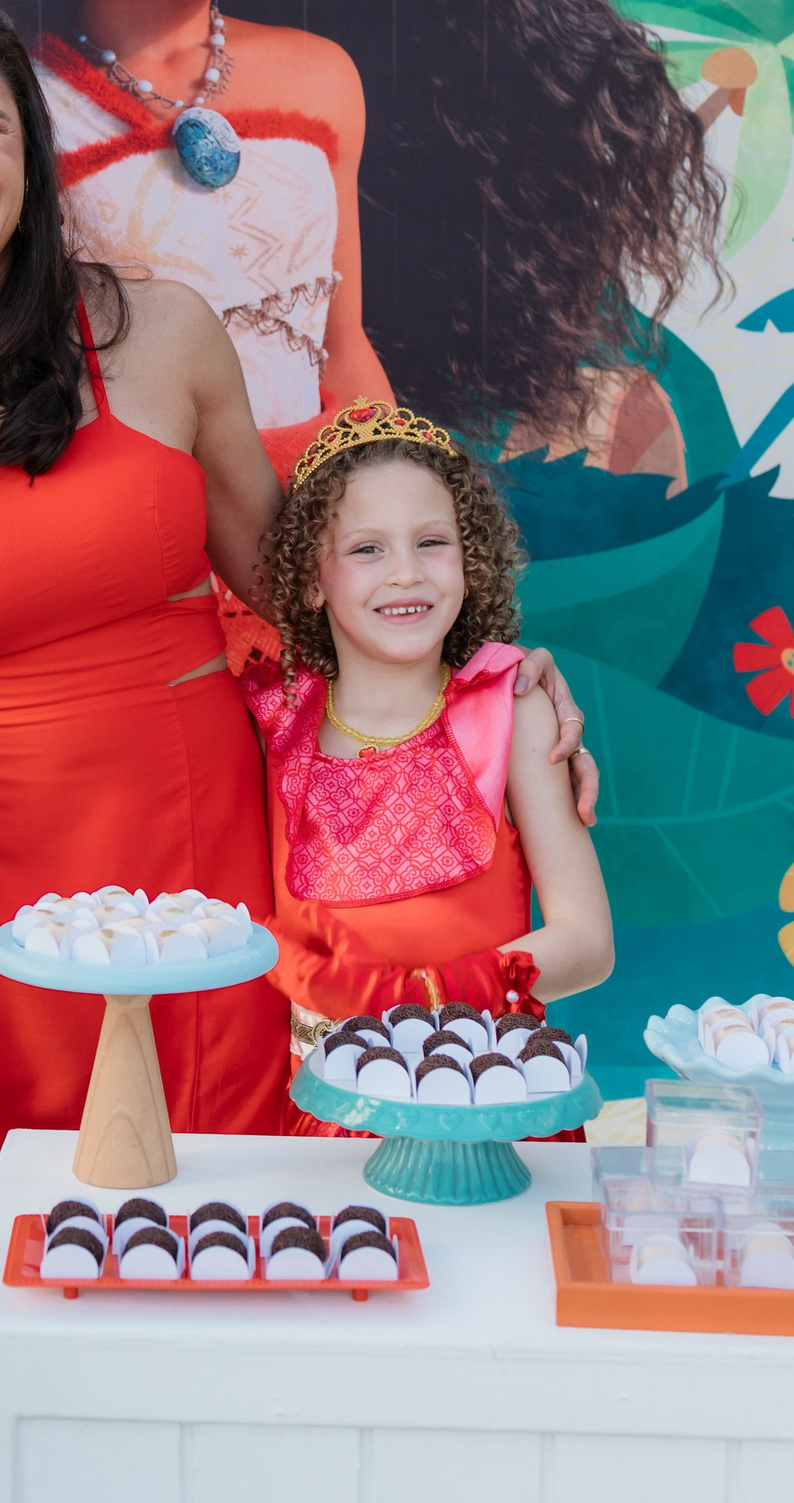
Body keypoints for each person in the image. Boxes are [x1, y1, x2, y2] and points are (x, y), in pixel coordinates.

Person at [0, 0, 596, 1173]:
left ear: (27, 149)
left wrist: (490, 693)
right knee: (38, 1205)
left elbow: (307, 599)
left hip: (213, 864)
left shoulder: (164, 337)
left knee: (237, 1193)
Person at [0, 0, 722, 468]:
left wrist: (405, 516)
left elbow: (339, 348)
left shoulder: (318, 80)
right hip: (119, 544)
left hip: (314, 523)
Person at [245, 399, 612, 1129]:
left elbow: (587, 942)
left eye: (432, 541)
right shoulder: (269, 723)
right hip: (327, 1116)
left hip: (490, 1099)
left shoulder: (513, 708)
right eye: (366, 549)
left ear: (469, 562)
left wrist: (432, 993)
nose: (405, 574)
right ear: (313, 578)